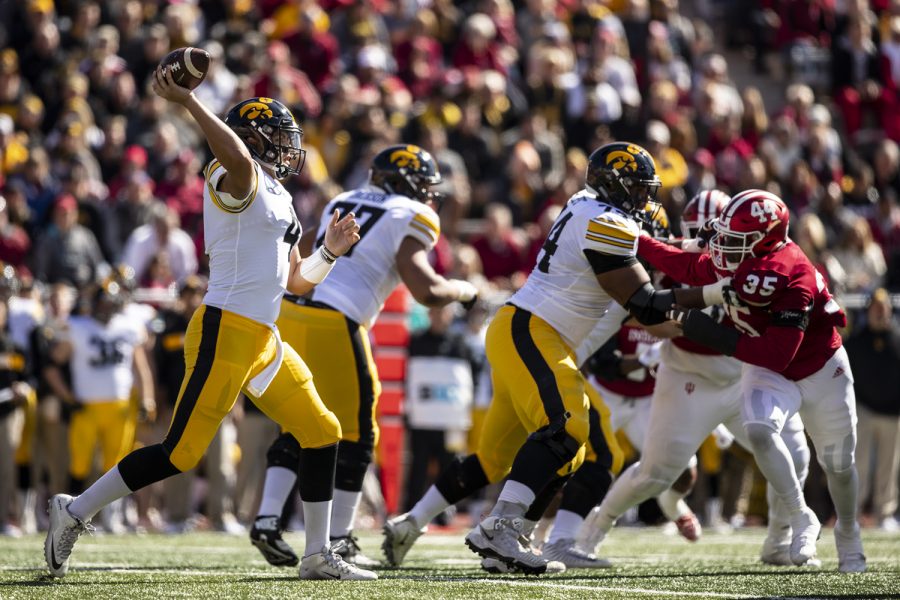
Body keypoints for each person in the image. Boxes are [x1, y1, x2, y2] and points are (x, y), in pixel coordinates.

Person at [43, 67, 372, 581]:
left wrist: (330, 252)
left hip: (264, 337)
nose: (290, 150)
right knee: (180, 453)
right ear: (253, 139)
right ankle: (75, 510)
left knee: (322, 429)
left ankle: (315, 553)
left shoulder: (280, 196)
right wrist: (191, 103)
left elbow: (295, 280)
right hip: (226, 330)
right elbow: (237, 157)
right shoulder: (231, 174)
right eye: (279, 140)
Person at [382, 142, 731, 574]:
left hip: (531, 336)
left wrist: (693, 250)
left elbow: (649, 255)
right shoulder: (605, 222)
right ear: (617, 187)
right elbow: (644, 302)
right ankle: (502, 529)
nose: (645, 201)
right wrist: (715, 295)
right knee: (570, 425)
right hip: (532, 331)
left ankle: (481, 537)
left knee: (533, 454)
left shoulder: (587, 205)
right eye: (639, 190)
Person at [249, 143, 478, 567]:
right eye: (423, 186)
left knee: (299, 422)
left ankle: (266, 518)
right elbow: (425, 290)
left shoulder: (344, 197)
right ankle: (340, 540)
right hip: (336, 320)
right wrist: (465, 290)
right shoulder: (412, 213)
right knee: (359, 433)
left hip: (294, 312)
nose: (428, 195)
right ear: (405, 183)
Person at [575, 191, 813, 569]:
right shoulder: (678, 260)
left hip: (743, 374)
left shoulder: (770, 264)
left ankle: (778, 540)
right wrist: (680, 324)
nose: (712, 245)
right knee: (655, 473)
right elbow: (640, 313)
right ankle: (591, 533)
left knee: (795, 453)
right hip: (688, 375)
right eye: (704, 234)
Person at [637, 189, 865, 572]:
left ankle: (849, 533)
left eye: (735, 239)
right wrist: (639, 241)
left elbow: (778, 355)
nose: (723, 246)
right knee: (759, 431)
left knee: (839, 464)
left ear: (766, 241)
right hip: (769, 367)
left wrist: (708, 332)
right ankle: (800, 515)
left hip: (818, 367)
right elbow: (689, 267)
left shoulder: (792, 275)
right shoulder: (745, 255)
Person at [845, 288, 900, 532]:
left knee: (889, 466)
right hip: (864, 410)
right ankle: (853, 511)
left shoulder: (898, 339)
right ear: (868, 311)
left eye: (884, 307)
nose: (880, 312)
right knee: (860, 463)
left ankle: (884, 512)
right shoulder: (857, 341)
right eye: (876, 307)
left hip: (892, 413)